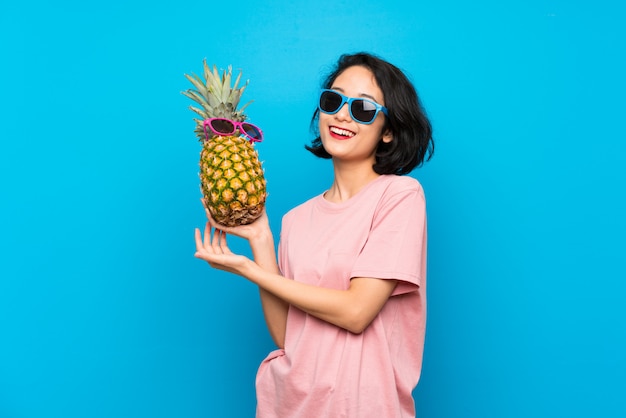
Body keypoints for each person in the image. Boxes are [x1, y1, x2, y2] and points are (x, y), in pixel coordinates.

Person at [194, 52, 434, 418]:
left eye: (363, 109)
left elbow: (357, 311)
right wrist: (261, 238)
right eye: (333, 100)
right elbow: (289, 336)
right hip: (290, 404)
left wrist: (249, 271)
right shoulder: (295, 219)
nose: (342, 114)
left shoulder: (400, 196)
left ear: (388, 131)